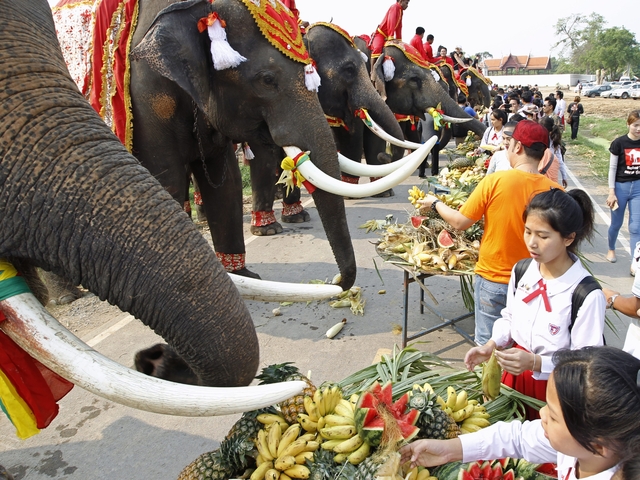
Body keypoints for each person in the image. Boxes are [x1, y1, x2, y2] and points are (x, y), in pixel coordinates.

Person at [418, 121, 561, 346]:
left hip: (495, 278)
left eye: (509, 143)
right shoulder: (556, 192)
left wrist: (435, 203)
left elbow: (460, 222)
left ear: (517, 148)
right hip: (537, 284)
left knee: (488, 347)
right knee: (526, 344)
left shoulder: (494, 181)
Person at [464, 188, 603, 419]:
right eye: (528, 232)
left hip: (555, 390)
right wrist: (491, 345)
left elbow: (585, 362)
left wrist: (536, 363)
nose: (532, 243)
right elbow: (509, 317)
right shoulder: (522, 271)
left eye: (543, 236)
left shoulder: (585, 294)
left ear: (569, 238)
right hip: (513, 378)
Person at [400, 346, 640, 480]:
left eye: (553, 417)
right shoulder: (587, 449)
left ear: (598, 446)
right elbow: (517, 437)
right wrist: (450, 450)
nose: (542, 414)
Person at [605, 110, 640, 270]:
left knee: (635, 227)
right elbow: (612, 169)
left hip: (638, 188)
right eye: (635, 125)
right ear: (628, 124)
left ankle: (635, 263)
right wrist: (612, 192)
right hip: (620, 188)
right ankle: (611, 248)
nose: (638, 129)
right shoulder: (619, 143)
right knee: (616, 223)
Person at [539, 116, 570, 188]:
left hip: (541, 173)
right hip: (550, 175)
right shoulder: (554, 142)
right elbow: (560, 161)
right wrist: (564, 176)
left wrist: (564, 176)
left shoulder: (551, 142)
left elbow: (560, 160)